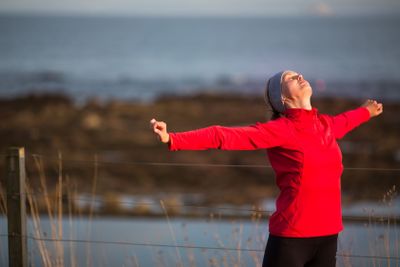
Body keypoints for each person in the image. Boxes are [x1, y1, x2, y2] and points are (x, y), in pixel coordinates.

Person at [150, 70, 383, 267]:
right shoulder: (280, 130)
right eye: (290, 78)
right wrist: (172, 138)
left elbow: (347, 119)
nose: (299, 76)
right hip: (291, 240)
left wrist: (367, 111)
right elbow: (223, 135)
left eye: (297, 73)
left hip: (328, 236)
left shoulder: (326, 125)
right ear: (282, 98)